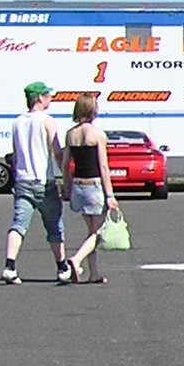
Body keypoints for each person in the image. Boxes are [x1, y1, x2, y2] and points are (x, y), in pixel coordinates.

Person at [0, 81, 68, 284]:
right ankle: (62, 267)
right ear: (39, 98)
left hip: (22, 179)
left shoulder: (17, 122)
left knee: (19, 224)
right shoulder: (47, 121)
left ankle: (10, 265)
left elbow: (15, 154)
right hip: (42, 181)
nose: (50, 99)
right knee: (54, 226)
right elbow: (56, 151)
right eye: (48, 96)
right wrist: (65, 175)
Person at [60, 93, 117, 284]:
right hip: (95, 186)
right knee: (97, 233)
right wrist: (109, 194)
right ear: (93, 110)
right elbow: (103, 166)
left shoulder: (71, 134)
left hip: (78, 186)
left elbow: (65, 163)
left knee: (91, 232)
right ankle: (76, 260)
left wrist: (66, 187)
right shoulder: (98, 135)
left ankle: (94, 273)